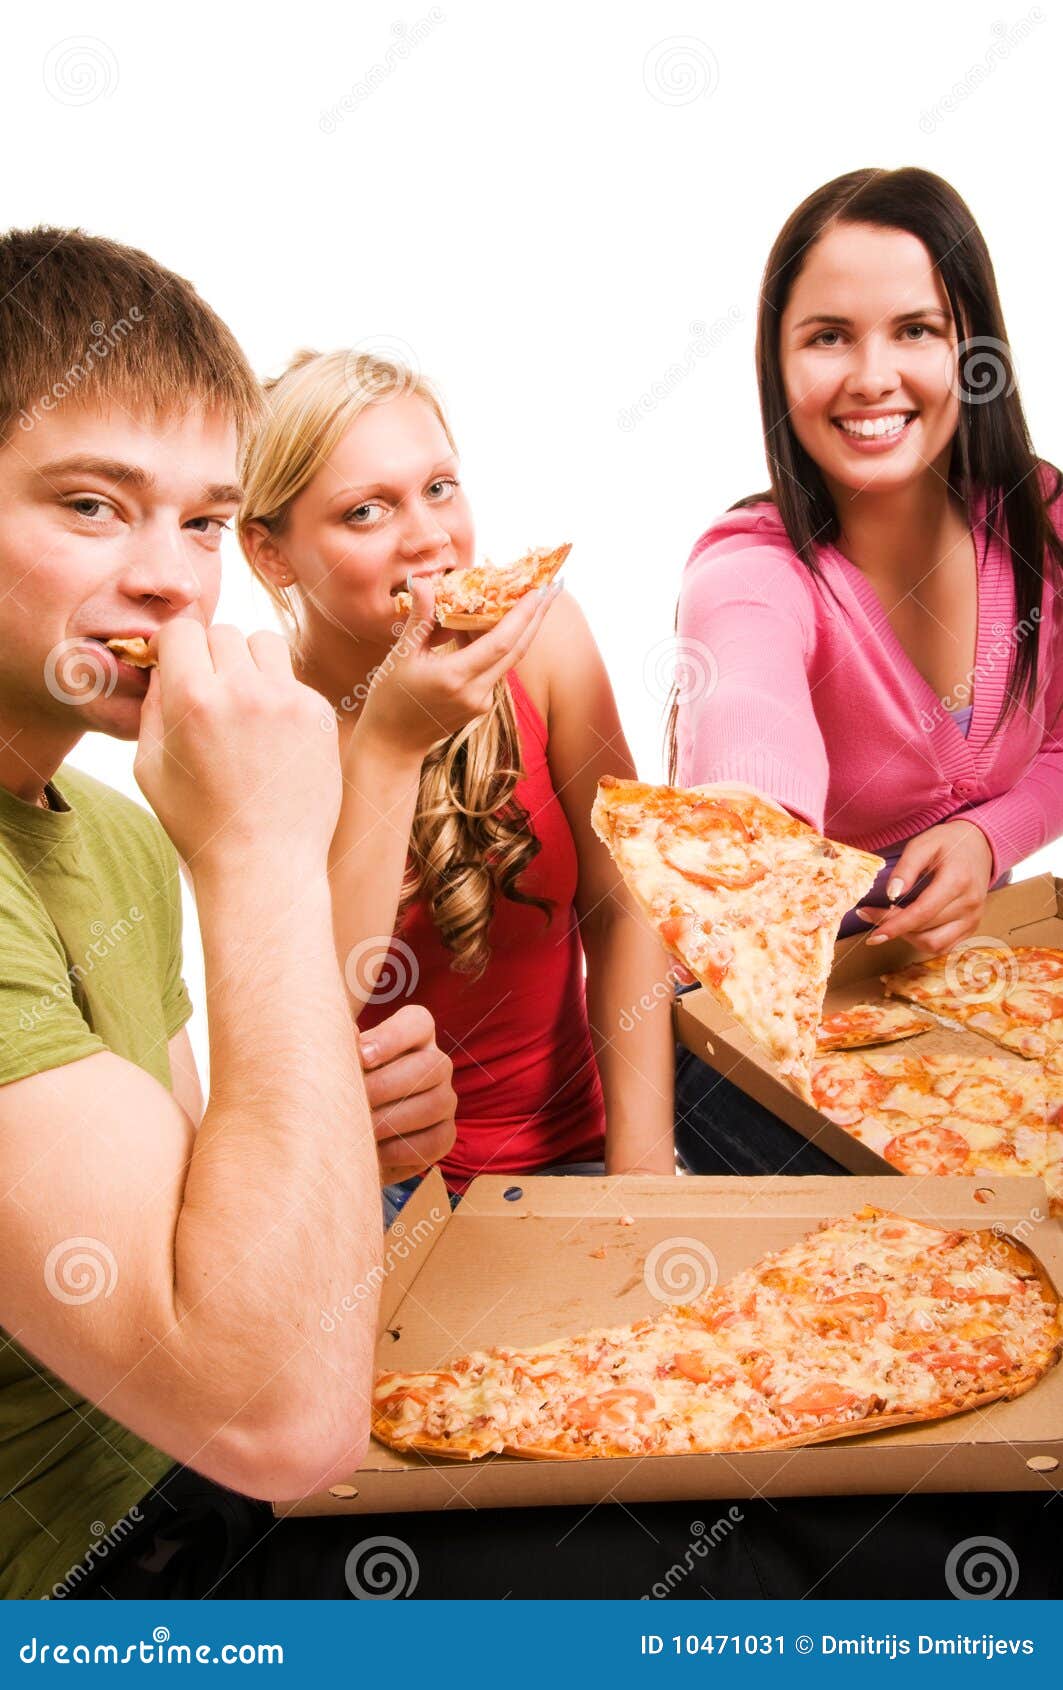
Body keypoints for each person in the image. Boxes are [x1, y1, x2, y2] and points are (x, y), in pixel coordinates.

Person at [0, 229, 456, 1600]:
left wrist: (324, 1121)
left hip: (180, 1484)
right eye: (92, 506)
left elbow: (191, 1211)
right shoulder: (197, 825)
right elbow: (280, 1418)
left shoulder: (126, 837)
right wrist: (264, 839)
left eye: (200, 521)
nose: (170, 580)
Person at [670, 167, 1063, 1176]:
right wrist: (757, 833)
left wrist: (985, 835)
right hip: (747, 1043)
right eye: (827, 335)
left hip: (940, 997)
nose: (870, 375)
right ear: (777, 360)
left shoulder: (1041, 523)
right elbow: (747, 723)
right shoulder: (748, 569)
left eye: (915, 331)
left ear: (972, 348)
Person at [237, 352, 677, 1205]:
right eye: (365, 511)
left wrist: (643, 1178)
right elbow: (300, 1012)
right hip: (369, 1188)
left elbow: (622, 904)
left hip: (583, 1150)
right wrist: (392, 746)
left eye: (438, 488)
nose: (428, 538)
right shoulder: (252, 728)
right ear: (271, 553)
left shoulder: (544, 638)